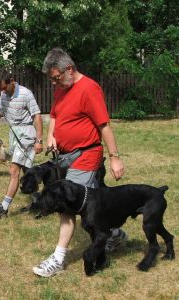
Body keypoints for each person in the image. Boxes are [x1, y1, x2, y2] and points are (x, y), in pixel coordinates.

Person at [32, 48, 126, 277]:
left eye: (56, 78)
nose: (54, 83)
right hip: (65, 157)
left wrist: (114, 157)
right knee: (94, 202)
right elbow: (54, 115)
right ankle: (114, 234)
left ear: (69, 70)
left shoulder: (89, 89)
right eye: (51, 80)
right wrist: (52, 135)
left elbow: (104, 125)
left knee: (67, 206)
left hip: (86, 156)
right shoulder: (61, 89)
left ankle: (58, 259)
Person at [0, 70, 43, 218]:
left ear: (12, 80)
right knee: (28, 172)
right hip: (14, 136)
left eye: (4, 87)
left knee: (13, 171)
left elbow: (37, 117)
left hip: (26, 135)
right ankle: (40, 202)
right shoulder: (3, 95)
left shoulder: (26, 94)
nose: (3, 91)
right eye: (0, 89)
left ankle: (3, 208)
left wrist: (39, 141)